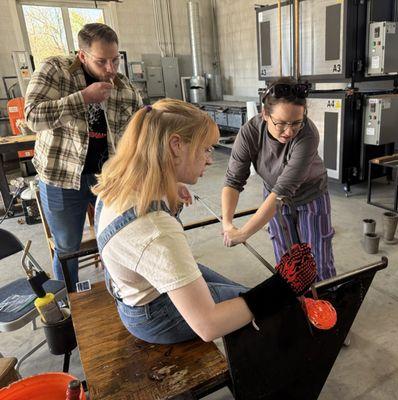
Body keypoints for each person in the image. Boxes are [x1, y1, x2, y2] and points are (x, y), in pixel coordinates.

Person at [92, 99, 317, 344]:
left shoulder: (120, 180)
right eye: (206, 149)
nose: (210, 159)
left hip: (136, 289)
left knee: (249, 296)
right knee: (265, 304)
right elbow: (208, 325)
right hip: (153, 314)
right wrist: (282, 286)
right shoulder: (155, 229)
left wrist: (171, 184)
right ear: (176, 145)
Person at [25, 23, 143, 289]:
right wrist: (83, 98)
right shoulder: (55, 71)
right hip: (61, 178)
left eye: (115, 60)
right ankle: (70, 304)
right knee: (67, 248)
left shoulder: (123, 87)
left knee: (116, 236)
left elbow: (140, 136)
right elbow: (32, 116)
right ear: (82, 56)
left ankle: (122, 297)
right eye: (102, 62)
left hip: (107, 176)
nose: (111, 69)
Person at [222, 78, 336, 281]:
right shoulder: (250, 133)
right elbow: (233, 181)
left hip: (310, 195)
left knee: (316, 259)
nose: (290, 131)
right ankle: (294, 305)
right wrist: (228, 223)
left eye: (296, 123)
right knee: (286, 260)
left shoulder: (308, 135)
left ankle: (323, 306)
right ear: (265, 114)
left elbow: (282, 191)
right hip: (272, 193)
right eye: (281, 123)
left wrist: (244, 233)